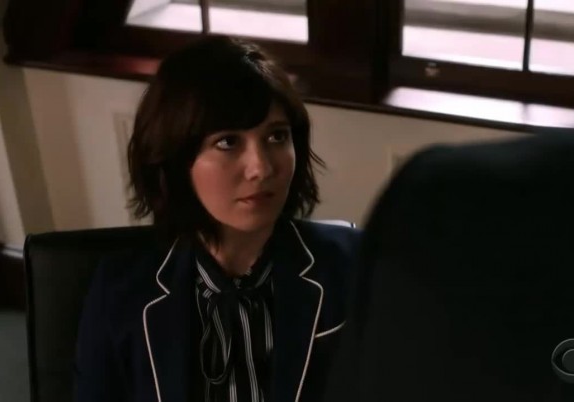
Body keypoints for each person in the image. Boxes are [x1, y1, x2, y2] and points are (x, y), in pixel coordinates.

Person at [74, 36, 360, 402]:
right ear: (176, 159)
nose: (261, 167)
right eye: (227, 142)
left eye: (277, 136)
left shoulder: (355, 265)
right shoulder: (120, 290)